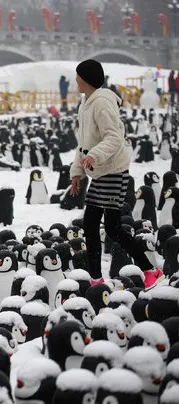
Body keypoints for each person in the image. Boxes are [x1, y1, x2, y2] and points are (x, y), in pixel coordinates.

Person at [70, 59, 163, 289]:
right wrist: (77, 172)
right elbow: (83, 143)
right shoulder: (86, 103)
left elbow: (114, 136)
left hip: (113, 169)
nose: (75, 80)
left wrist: (95, 155)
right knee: (102, 226)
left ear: (86, 78)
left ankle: (147, 271)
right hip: (101, 170)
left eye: (78, 76)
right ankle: (102, 277)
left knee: (100, 226)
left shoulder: (102, 102)